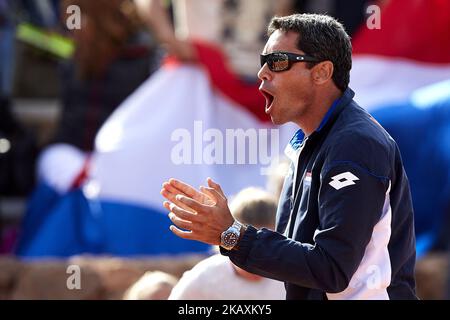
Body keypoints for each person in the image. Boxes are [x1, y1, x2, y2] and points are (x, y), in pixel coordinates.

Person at [161, 13, 417, 300]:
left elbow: (331, 269)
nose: (263, 73)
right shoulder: (311, 143)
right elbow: (301, 267)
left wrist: (231, 234)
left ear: (321, 72)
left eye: (277, 62)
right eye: (263, 63)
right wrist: (230, 236)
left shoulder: (354, 143)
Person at [168, 187, 285, 300]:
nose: (258, 256)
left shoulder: (291, 279)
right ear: (229, 240)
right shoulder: (204, 279)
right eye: (247, 245)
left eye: (268, 245)